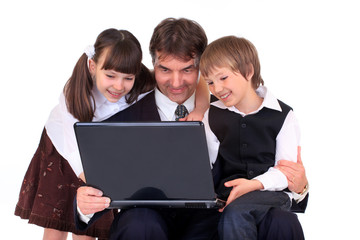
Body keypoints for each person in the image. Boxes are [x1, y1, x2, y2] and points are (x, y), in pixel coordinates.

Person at [75, 18, 309, 240]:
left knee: (281, 221)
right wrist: (84, 207)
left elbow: (257, 166)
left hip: (218, 220)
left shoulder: (227, 112)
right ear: (153, 65)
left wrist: (300, 188)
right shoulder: (121, 121)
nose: (176, 83)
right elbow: (102, 188)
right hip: (147, 222)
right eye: (165, 69)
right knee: (140, 223)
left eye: (187, 70)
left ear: (202, 68)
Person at [14, 28, 157, 240]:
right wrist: (97, 181)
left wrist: (200, 108)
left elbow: (193, 80)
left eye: (128, 77)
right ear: (93, 66)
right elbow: (73, 148)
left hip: (99, 148)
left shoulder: (145, 83)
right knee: (58, 221)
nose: (119, 86)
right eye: (110, 75)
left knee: (89, 227)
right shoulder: (74, 93)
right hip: (63, 147)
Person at [200, 35, 308, 239]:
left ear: (248, 71)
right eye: (210, 82)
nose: (217, 89)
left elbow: (286, 171)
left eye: (223, 78)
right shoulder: (212, 114)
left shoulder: (283, 116)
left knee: (236, 213)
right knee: (228, 214)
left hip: (273, 195)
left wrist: (254, 184)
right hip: (228, 196)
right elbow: (205, 161)